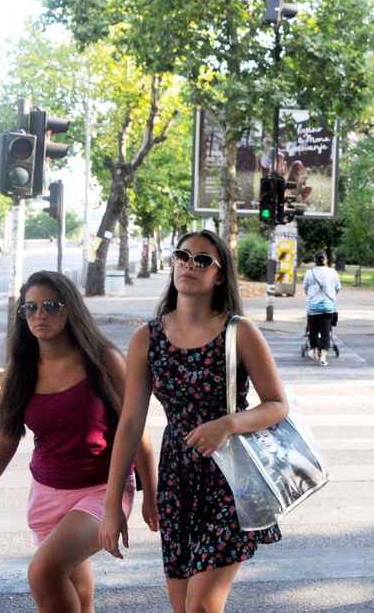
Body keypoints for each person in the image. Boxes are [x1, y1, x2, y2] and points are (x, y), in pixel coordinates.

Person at [99, 229, 289, 613]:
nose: (189, 265)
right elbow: (131, 423)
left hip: (232, 477)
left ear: (219, 275)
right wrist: (112, 504)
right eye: (182, 256)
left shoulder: (239, 332)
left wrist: (227, 424)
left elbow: (277, 405)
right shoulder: (147, 339)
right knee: (182, 604)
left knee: (201, 605)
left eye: (202, 260)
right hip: (178, 478)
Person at [0, 270, 158, 612]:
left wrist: (150, 493)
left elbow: (135, 431)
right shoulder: (23, 368)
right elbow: (5, 440)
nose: (39, 315)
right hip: (46, 493)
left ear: (70, 309)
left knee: (44, 573)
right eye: (29, 308)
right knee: (77, 594)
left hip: (100, 490)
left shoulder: (102, 360)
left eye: (50, 305)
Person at [303, 251, 340, 366]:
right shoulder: (333, 272)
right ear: (326, 260)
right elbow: (337, 288)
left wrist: (312, 297)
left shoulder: (310, 273)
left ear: (315, 261)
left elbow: (305, 288)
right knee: (325, 331)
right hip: (328, 307)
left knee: (312, 330)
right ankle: (323, 357)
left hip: (313, 307)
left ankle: (314, 352)